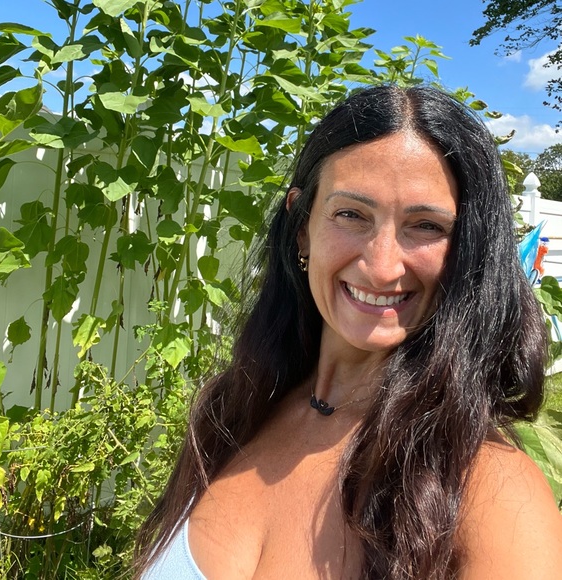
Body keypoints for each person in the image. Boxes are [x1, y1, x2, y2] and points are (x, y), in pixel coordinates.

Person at [134, 85, 562, 579]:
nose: (381, 267)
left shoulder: (494, 495)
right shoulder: (234, 410)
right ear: (302, 227)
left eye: (426, 226)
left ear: (466, 250)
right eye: (351, 215)